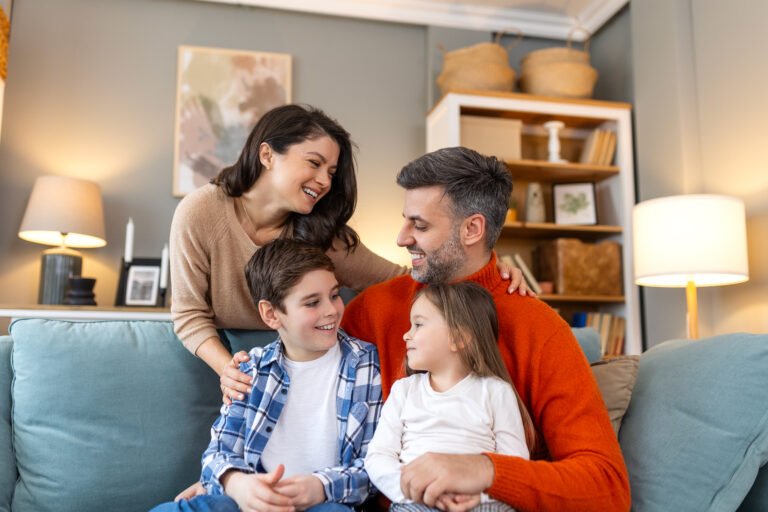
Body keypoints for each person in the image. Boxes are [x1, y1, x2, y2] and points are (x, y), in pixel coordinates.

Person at [170, 104, 529, 501]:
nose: (325, 180)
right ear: (267, 154)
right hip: (233, 360)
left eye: (332, 171)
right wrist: (230, 380)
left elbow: (408, 278)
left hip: (312, 353)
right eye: (314, 163)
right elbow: (188, 313)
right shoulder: (202, 211)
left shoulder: (324, 237)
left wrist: (488, 267)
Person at [342, 147, 630, 511]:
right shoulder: (373, 308)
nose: (402, 238)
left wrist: (487, 471)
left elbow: (607, 488)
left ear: (472, 229)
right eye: (406, 221)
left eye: (420, 225)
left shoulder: (540, 328)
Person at [153, 239, 382, 512]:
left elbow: (376, 464)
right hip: (252, 502)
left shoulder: (367, 365)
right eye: (312, 302)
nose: (332, 310)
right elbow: (218, 452)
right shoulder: (252, 370)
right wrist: (235, 483)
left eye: (334, 295)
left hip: (324, 502)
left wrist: (320, 487)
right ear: (271, 314)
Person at [365, 282, 535, 512]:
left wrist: (480, 496)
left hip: (481, 502)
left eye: (418, 325)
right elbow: (378, 456)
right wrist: (412, 491)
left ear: (458, 338)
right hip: (417, 501)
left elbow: (515, 463)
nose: (406, 335)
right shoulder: (404, 391)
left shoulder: (496, 391)